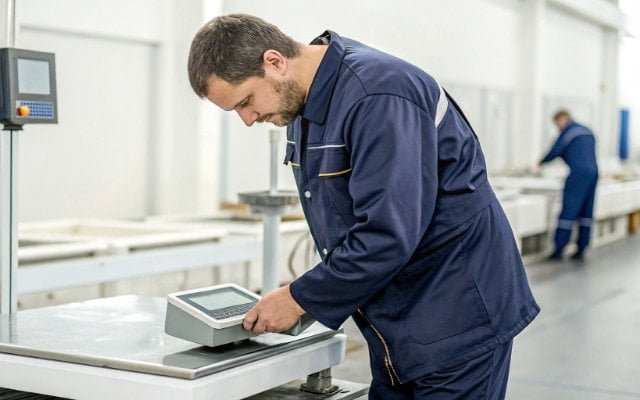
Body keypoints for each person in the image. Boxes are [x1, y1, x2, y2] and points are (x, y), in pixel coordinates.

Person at [187, 14, 539, 399]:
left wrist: (300, 298)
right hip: (398, 325)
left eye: (246, 102)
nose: (248, 119)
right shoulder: (304, 106)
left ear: (274, 62)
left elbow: (388, 233)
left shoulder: (378, 95)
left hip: (457, 320)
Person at [539, 110, 599, 260]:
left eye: (557, 124)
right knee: (586, 211)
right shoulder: (587, 131)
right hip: (593, 173)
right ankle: (582, 248)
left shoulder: (569, 132)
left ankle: (559, 250)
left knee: (568, 210)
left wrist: (540, 163)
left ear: (563, 119)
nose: (558, 127)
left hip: (578, 174)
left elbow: (555, 150)